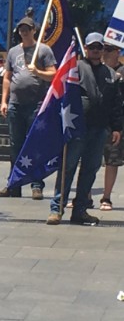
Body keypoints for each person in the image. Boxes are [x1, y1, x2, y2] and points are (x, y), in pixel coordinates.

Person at [47, 33, 123, 225]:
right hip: (77, 128)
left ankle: (80, 210)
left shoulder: (111, 75)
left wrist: (116, 128)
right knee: (68, 167)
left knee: (90, 169)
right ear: (86, 49)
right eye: (93, 47)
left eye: (100, 47)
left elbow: (115, 104)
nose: (96, 51)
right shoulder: (75, 68)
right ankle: (57, 208)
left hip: (99, 129)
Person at [0, 17, 56, 199]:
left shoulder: (44, 50)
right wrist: (4, 101)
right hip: (15, 104)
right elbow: (7, 77)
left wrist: (37, 72)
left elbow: (53, 75)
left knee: (35, 144)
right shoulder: (14, 52)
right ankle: (14, 183)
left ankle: (36, 185)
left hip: (35, 105)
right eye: (21, 29)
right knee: (16, 146)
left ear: (33, 30)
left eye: (27, 29)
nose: (24, 32)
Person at [100, 43, 124, 211]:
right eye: (103, 50)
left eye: (109, 50)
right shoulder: (97, 70)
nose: (105, 53)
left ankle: (106, 198)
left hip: (115, 122)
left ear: (118, 52)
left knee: (112, 160)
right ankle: (84, 196)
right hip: (96, 120)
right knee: (89, 161)